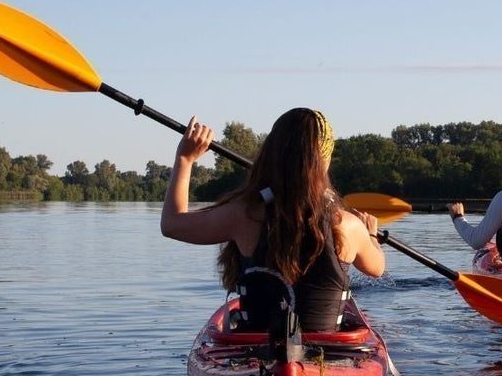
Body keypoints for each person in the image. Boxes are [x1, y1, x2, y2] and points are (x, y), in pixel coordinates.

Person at [161, 107, 385, 333]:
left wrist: (185, 158)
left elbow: (172, 224)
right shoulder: (348, 225)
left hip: (255, 355)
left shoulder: (243, 215)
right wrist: (371, 235)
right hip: (329, 356)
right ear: (326, 160)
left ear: (272, 153)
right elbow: (377, 268)